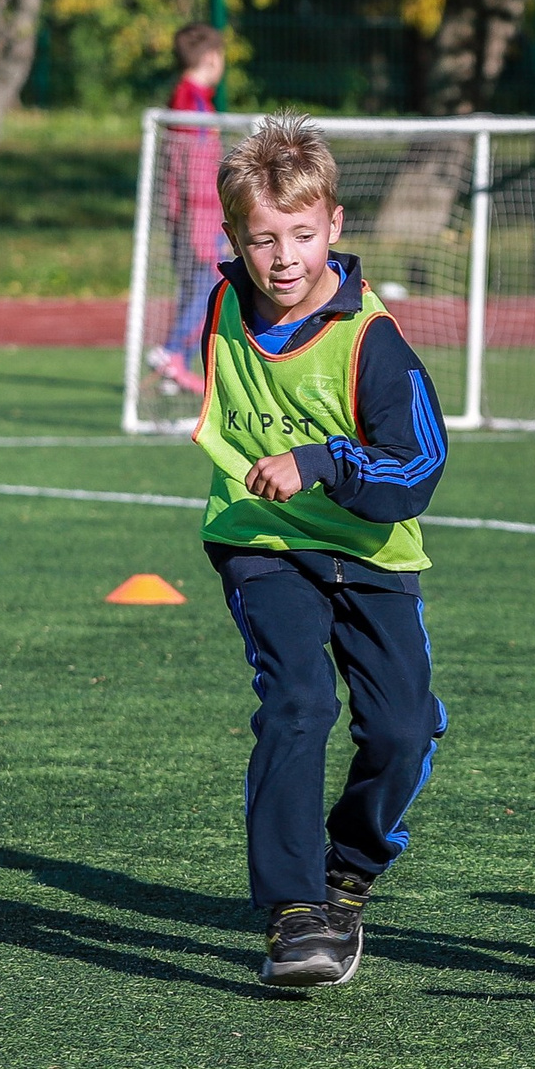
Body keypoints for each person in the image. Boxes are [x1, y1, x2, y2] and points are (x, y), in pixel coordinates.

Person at [191, 112, 449, 989]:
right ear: (235, 238)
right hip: (261, 542)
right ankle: (295, 910)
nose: (284, 258)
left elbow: (419, 465)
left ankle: (350, 870)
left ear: (335, 224)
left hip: (373, 552)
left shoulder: (374, 341)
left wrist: (324, 461)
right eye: (263, 239)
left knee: (404, 729)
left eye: (302, 234)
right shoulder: (224, 304)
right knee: (298, 702)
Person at [150, 25, 229, 396]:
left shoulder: (187, 98)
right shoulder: (191, 103)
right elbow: (193, 170)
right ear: (211, 58)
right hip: (199, 216)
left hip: (189, 214)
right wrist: (204, 223)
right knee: (207, 285)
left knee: (195, 287)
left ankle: (175, 367)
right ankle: (171, 351)